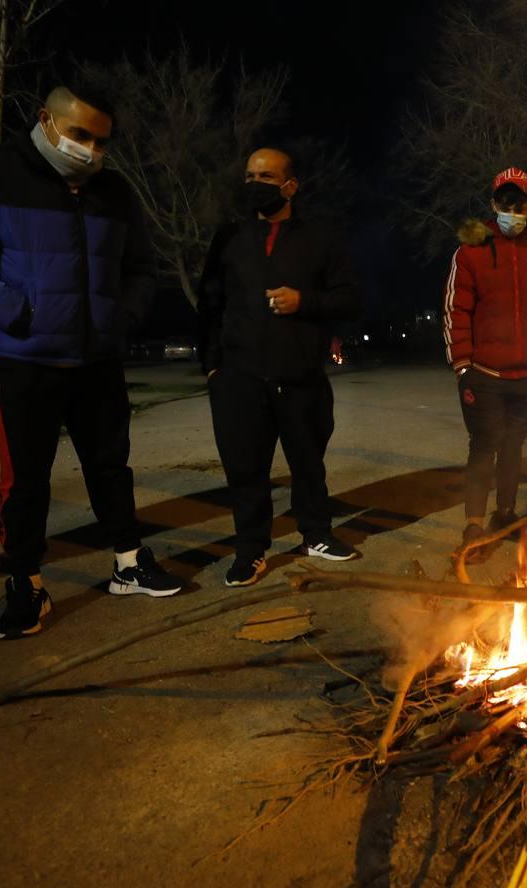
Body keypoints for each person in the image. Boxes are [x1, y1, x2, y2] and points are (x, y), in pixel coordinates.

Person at [0, 84, 184, 640]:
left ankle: (128, 564)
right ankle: (24, 582)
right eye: (80, 134)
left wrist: (121, 319)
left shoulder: (114, 190)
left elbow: (141, 268)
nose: (91, 149)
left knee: (111, 465)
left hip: (97, 356)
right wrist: (15, 310)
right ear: (47, 120)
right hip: (23, 355)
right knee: (25, 478)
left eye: (102, 141)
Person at [197, 148, 362, 587]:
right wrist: (212, 367)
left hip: (300, 375)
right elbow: (209, 304)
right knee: (245, 467)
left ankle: (316, 534)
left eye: (266, 176)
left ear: (290, 185)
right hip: (239, 377)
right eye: (250, 175)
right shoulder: (229, 237)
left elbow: (349, 298)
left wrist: (304, 301)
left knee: (308, 462)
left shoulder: (319, 238)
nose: (254, 183)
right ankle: (250, 549)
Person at [443, 167, 527, 557]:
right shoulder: (471, 253)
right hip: (484, 375)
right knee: (484, 446)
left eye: (520, 202)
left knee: (513, 446)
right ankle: (474, 526)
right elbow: (456, 311)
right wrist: (463, 366)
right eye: (505, 201)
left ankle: (506, 515)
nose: (513, 208)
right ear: (494, 203)